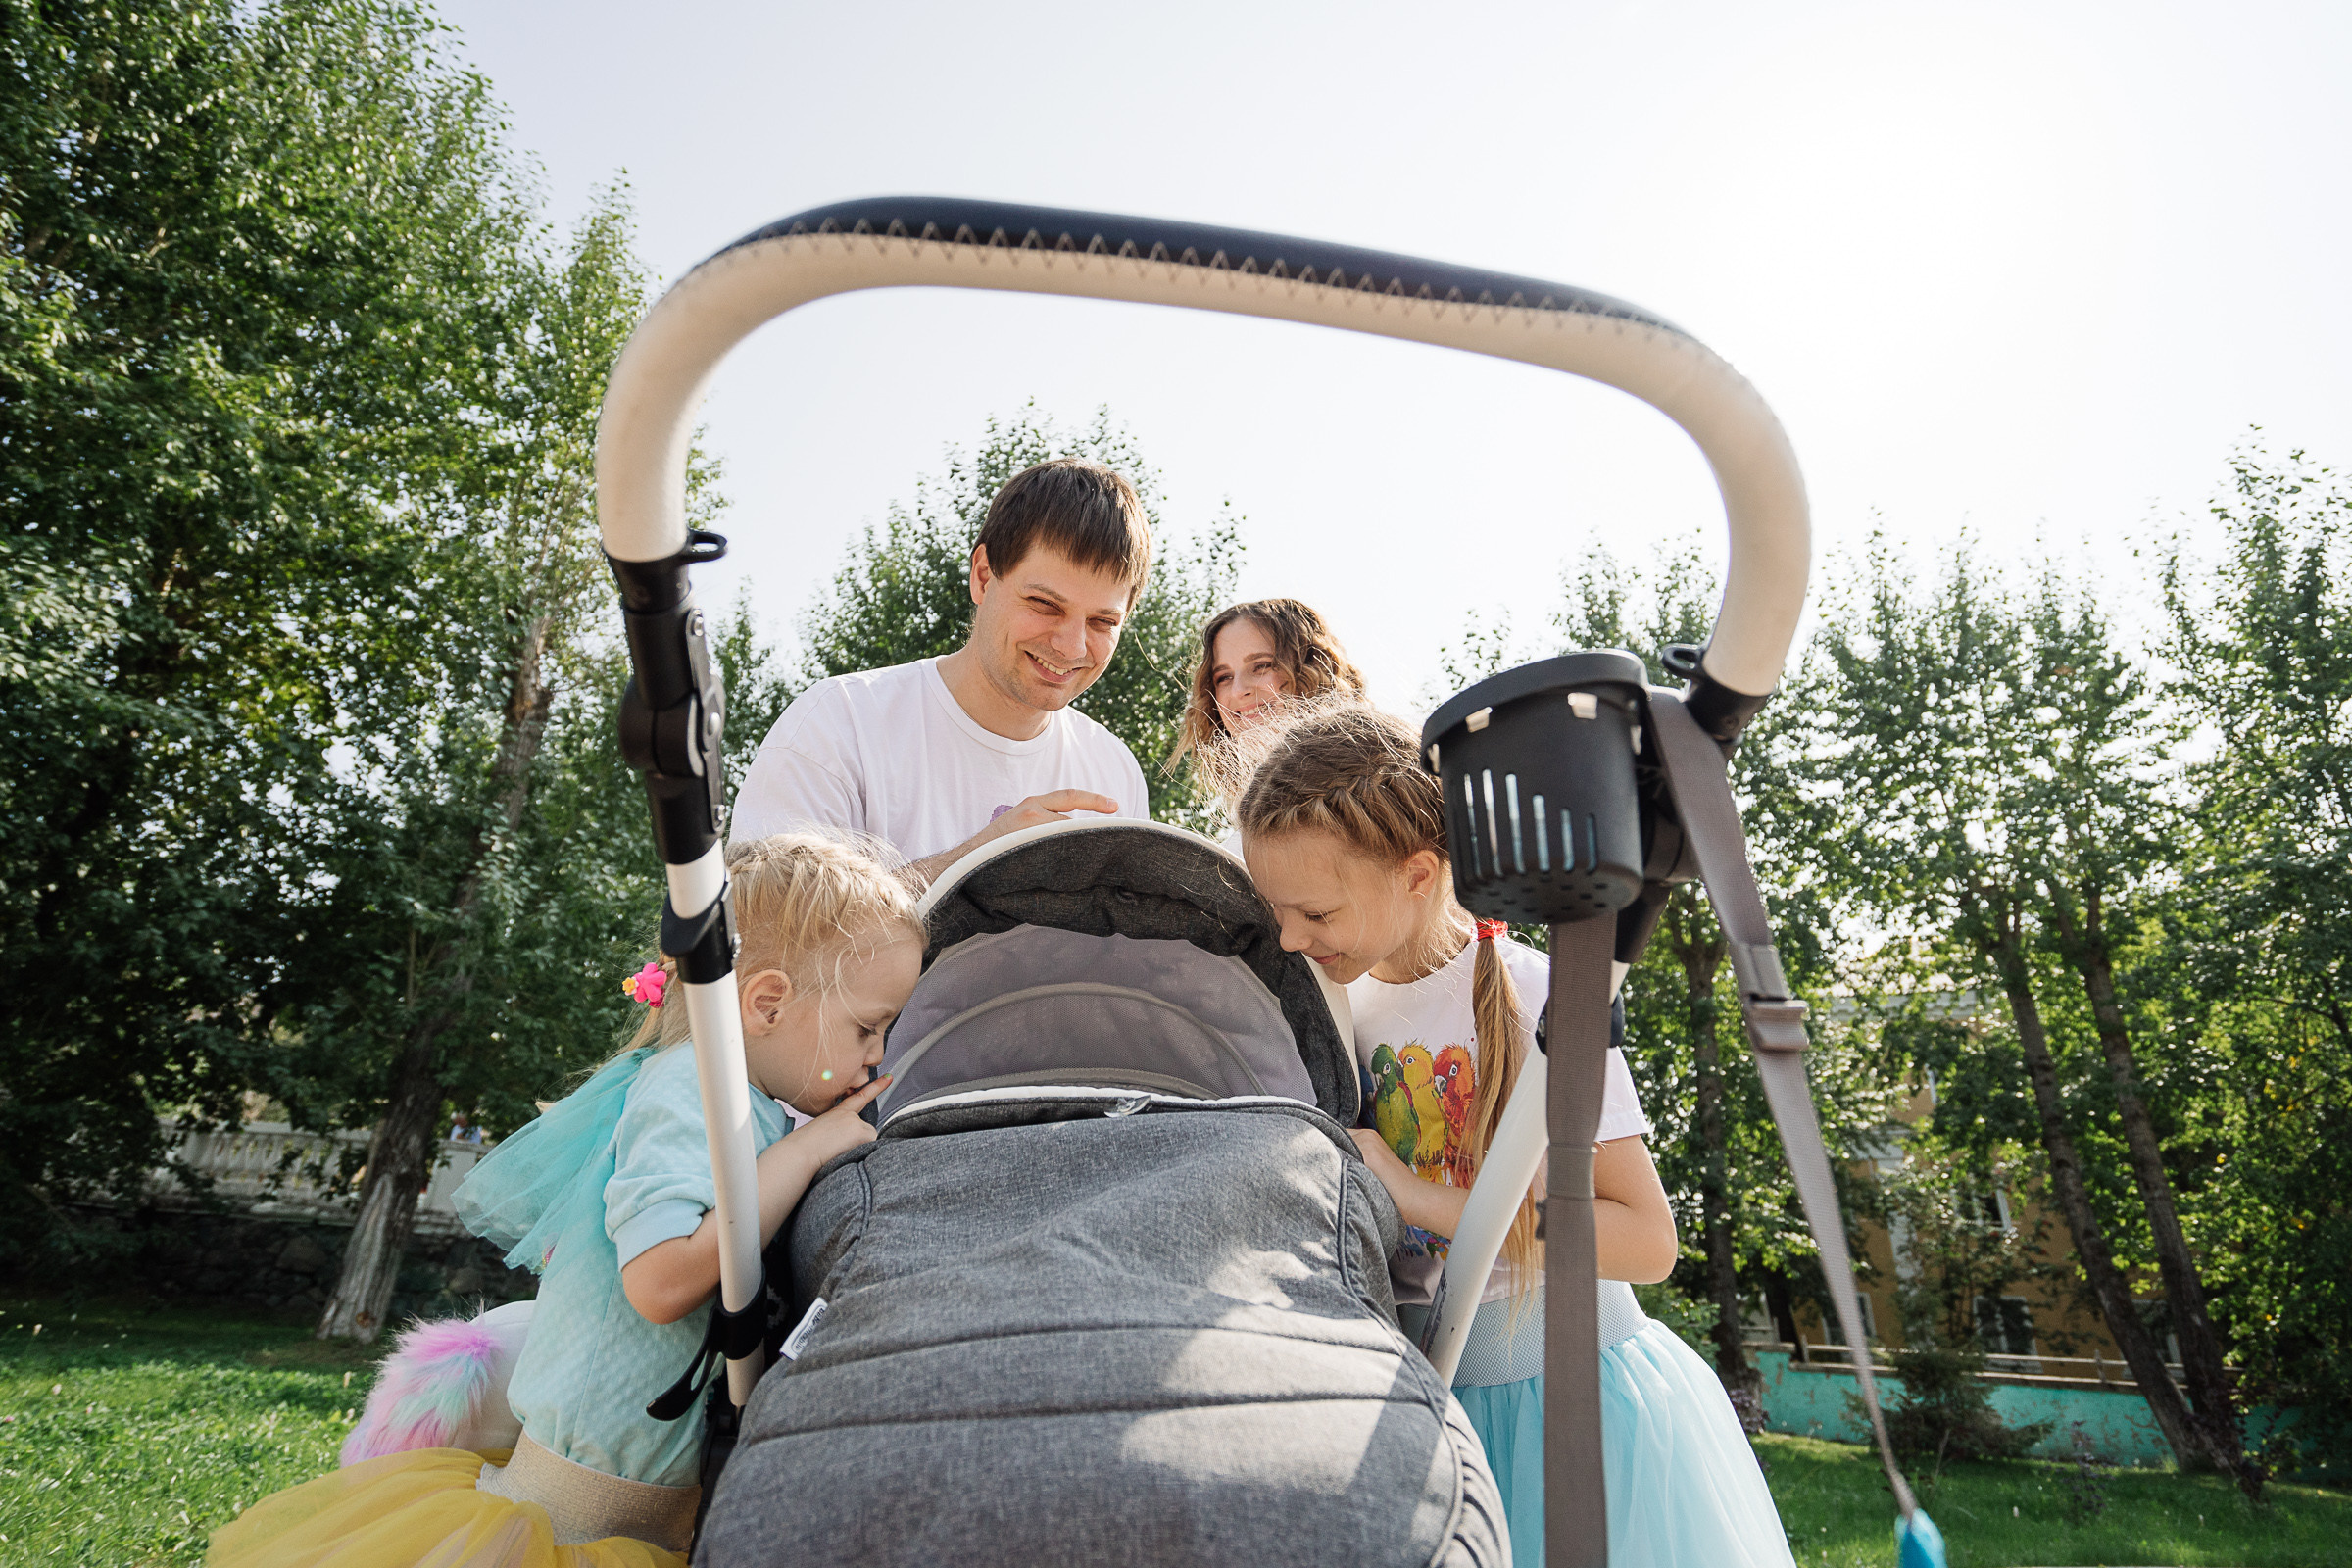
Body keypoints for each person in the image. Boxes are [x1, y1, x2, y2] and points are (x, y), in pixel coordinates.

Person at [208, 834, 925, 1568]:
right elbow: (659, 1280)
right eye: (868, 1027)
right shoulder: (693, 1093)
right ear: (767, 1003)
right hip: (569, 1531)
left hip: (643, 1511)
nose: (877, 1054)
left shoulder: (739, 1103)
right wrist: (805, 1152)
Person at [1237, 707, 1797, 1568]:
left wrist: (1424, 1198)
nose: (1288, 938)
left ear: (1418, 873)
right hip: (1424, 1410)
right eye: (1275, 911)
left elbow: (1646, 1239)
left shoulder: (1541, 994)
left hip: (1567, 1411)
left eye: (1314, 911)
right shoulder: (1324, 1006)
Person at [730, 459, 1154, 885]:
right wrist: (976, 862)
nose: (1072, 646)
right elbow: (766, 935)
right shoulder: (839, 726)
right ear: (983, 577)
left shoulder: (1115, 771)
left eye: (1103, 622)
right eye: (1045, 604)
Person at [1167, 597, 1367, 815]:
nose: (1238, 690)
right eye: (1224, 677)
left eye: (1261, 666)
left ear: (1312, 669)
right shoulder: (1246, 820)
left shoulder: (1372, 788)